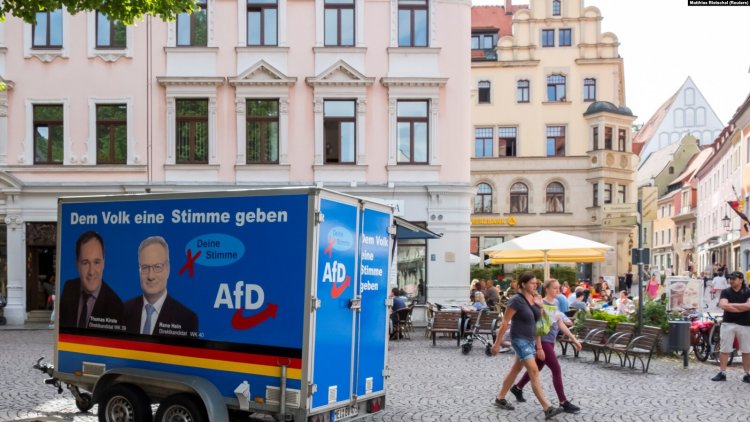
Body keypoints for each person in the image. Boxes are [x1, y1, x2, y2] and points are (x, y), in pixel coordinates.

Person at [490, 272, 564, 420]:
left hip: (530, 339)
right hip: (519, 339)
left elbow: (539, 322)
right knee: (534, 371)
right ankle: (547, 407)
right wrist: (496, 344)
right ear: (523, 284)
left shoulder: (533, 299)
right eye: (532, 283)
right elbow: (505, 322)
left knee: (515, 370)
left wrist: (540, 306)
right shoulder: (516, 300)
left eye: (536, 283)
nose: (535, 285)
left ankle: (500, 398)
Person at [510, 279, 581, 414]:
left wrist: (574, 340)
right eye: (554, 288)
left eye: (558, 288)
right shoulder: (540, 303)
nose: (557, 291)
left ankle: (517, 388)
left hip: (551, 341)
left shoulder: (556, 303)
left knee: (538, 366)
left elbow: (560, 323)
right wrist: (539, 347)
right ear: (547, 289)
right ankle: (563, 401)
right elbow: (537, 327)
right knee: (556, 369)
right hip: (543, 342)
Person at [123, 236, 198, 336]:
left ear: (168, 269)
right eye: (145, 267)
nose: (151, 276)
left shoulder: (187, 319)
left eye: (157, 267)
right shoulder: (122, 310)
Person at [59, 231, 124, 329]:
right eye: (85, 263)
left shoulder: (116, 306)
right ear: (77, 265)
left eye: (97, 262)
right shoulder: (69, 287)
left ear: (103, 264)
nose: (91, 272)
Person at [711, 272, 750, 383]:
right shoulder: (726, 291)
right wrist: (742, 307)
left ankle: (747, 374)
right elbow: (723, 305)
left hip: (745, 324)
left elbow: (749, 306)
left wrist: (732, 305)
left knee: (747, 350)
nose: (731, 281)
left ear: (741, 280)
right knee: (724, 349)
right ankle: (722, 373)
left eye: (734, 279)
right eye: (730, 279)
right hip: (728, 323)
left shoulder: (748, 291)